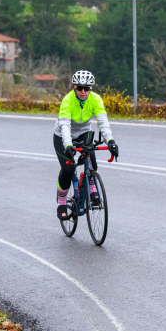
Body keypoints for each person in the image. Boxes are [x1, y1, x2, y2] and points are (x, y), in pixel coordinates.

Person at [54, 70, 118, 220]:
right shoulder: (67, 100)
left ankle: (92, 187)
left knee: (91, 160)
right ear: (74, 88)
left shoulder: (96, 100)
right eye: (80, 88)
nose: (83, 92)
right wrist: (68, 145)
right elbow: (64, 125)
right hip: (63, 134)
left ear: (91, 89)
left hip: (84, 132)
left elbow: (103, 122)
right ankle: (61, 202)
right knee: (68, 168)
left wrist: (111, 141)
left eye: (87, 88)